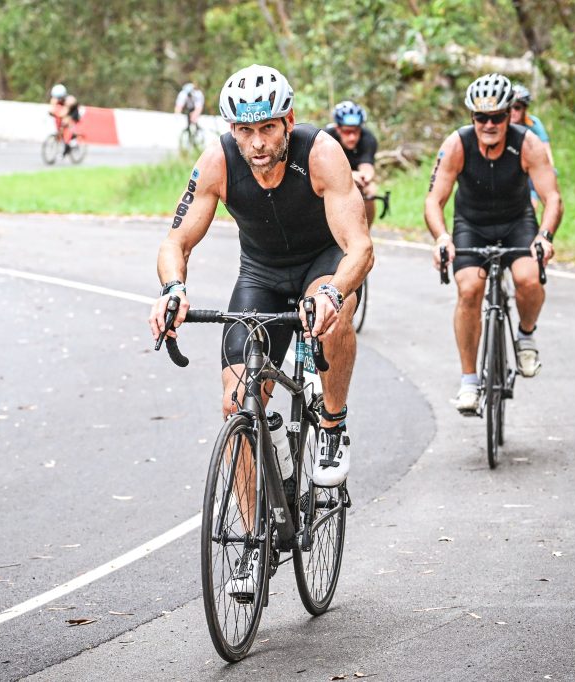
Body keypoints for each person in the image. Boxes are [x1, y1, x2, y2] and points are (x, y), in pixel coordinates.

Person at [148, 64, 373, 598]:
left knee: (333, 322)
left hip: (323, 264)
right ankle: (253, 538)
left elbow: (359, 247)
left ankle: (333, 425)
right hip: (262, 277)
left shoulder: (320, 153)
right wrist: (173, 290)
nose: (257, 143)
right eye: (244, 131)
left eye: (267, 128)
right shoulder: (218, 163)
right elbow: (174, 243)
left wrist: (334, 292)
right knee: (237, 399)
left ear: (287, 121)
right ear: (231, 130)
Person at [425, 73, 563, 414]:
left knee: (529, 278)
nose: (489, 124)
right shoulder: (456, 144)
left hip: (517, 222)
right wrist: (442, 237)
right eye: (481, 118)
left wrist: (545, 236)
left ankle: (526, 335)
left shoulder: (528, 143)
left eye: (497, 117)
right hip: (471, 224)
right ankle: (470, 382)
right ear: (472, 118)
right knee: (469, 288)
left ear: (509, 115)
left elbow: (552, 198)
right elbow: (434, 200)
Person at [324, 101, 380, 226]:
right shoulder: (325, 138)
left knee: (370, 190)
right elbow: (321, 171)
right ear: (337, 128)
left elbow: (367, 166)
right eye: (346, 132)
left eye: (356, 131)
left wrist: (365, 177)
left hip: (355, 177)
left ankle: (364, 231)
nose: (352, 137)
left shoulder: (368, 138)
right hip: (329, 176)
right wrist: (348, 175)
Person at [510, 84, 555, 214]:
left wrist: (549, 169)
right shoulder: (501, 125)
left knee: (534, 202)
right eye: (510, 107)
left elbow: (546, 148)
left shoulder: (533, 124)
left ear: (525, 109)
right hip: (509, 170)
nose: (513, 112)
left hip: (530, 169)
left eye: (517, 108)